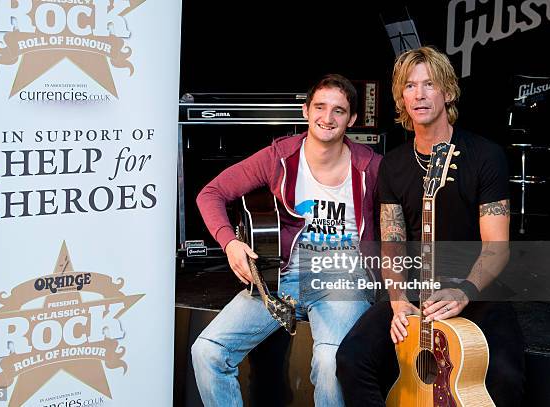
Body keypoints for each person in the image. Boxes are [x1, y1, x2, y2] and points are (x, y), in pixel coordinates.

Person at [335, 46, 525, 406]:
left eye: (429, 84)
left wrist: (465, 290)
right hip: (419, 291)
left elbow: (497, 246)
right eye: (409, 86)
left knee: (505, 378)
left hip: (477, 289)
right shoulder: (392, 166)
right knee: (351, 358)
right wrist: (397, 301)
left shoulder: (485, 156)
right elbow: (392, 244)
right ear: (401, 98)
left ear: (448, 92)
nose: (419, 94)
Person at [191, 74, 382, 406]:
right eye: (320, 107)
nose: (327, 117)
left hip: (344, 279)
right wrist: (230, 244)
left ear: (351, 119)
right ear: (306, 111)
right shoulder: (279, 157)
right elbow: (211, 193)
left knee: (329, 363)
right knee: (207, 351)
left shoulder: (371, 166)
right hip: (283, 278)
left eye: (339, 110)